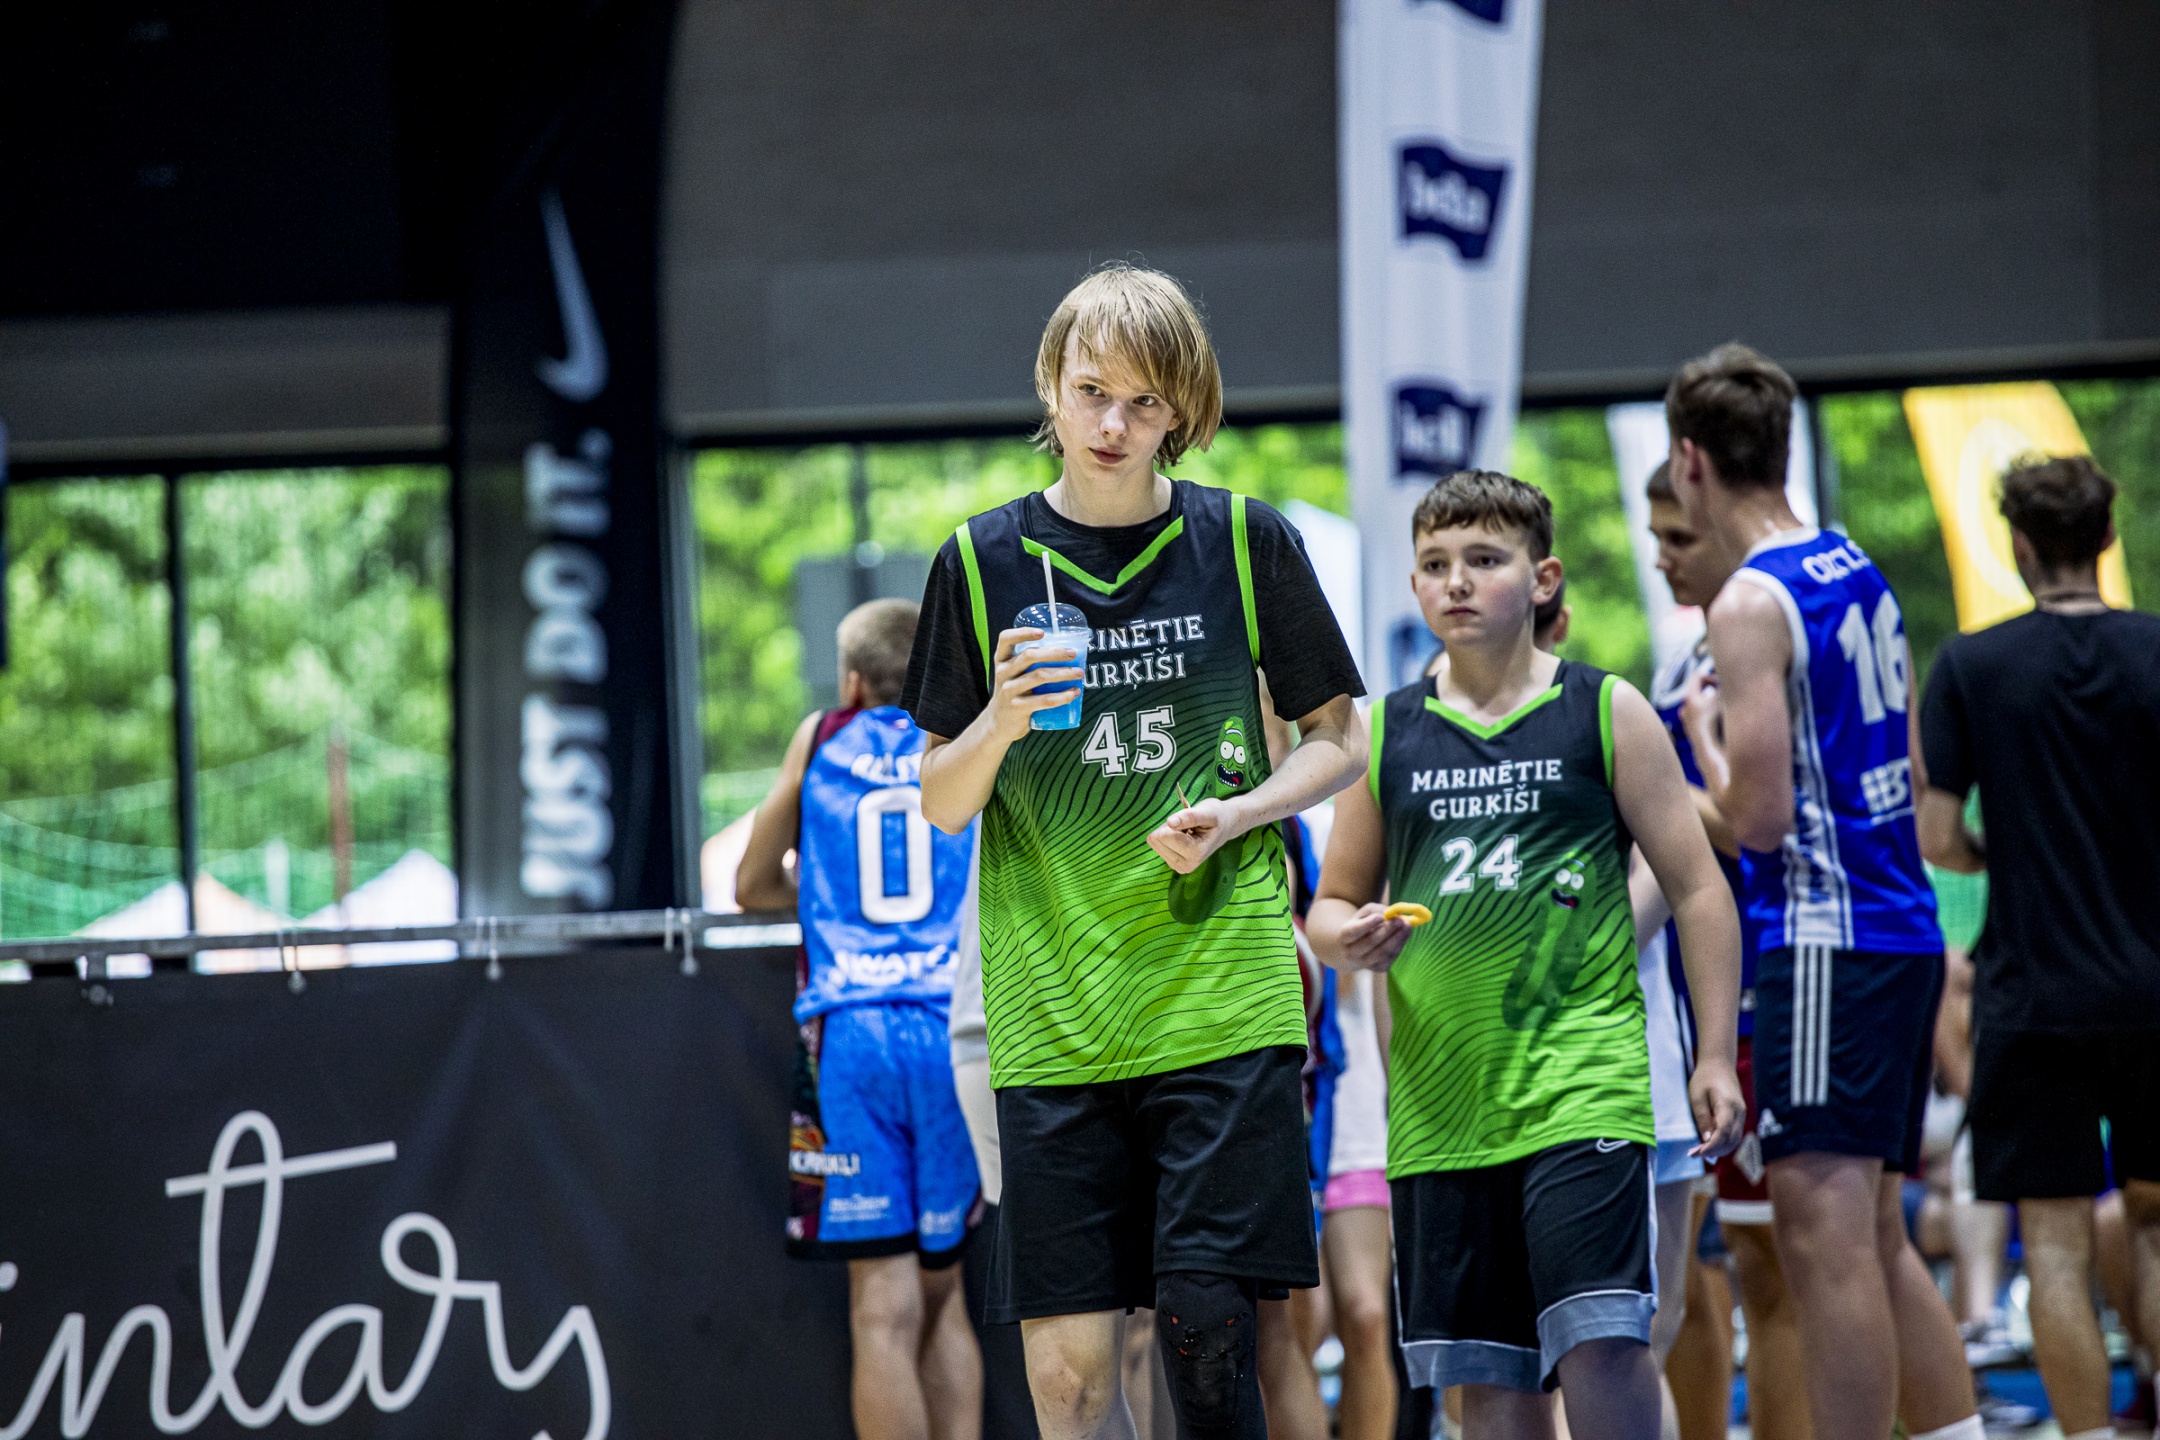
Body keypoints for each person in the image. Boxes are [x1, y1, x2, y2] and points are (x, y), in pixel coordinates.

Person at [901, 262, 1368, 1440]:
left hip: (1219, 999)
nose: (1113, 424)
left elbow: (1339, 741)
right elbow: (941, 803)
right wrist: (1001, 723)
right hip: (1053, 1014)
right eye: (1092, 392)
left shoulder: (1245, 542)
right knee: (1069, 1383)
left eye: (1145, 401)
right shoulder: (980, 562)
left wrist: (1245, 812)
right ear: (1050, 390)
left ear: (1183, 412)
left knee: (1208, 1346)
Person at [1307, 468, 1745, 1440]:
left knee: (1606, 1345)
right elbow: (1328, 909)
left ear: (1543, 579)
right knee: (1493, 1384)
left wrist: (1714, 1053)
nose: (1456, 582)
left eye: (1483, 559)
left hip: (1583, 1090)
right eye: (1435, 565)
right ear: (1413, 586)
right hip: (1441, 1114)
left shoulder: (1606, 709)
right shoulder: (1384, 732)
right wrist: (1351, 939)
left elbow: (1699, 886)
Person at [1666, 343, 1979, 1440]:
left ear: (1691, 461)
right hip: (1900, 925)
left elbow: (1755, 820)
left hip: (1822, 938)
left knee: (1823, 1240)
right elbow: (1906, 761)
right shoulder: (1853, 562)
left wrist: (1692, 755)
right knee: (1878, 1240)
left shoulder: (1751, 600)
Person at [1917, 454, 2160, 1440]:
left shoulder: (1971, 666)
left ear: (2017, 542)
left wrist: (2006, 853)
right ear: (2106, 538)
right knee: (2156, 1222)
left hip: (2033, 992)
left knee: (2055, 1244)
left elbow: (1938, 837)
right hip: (2155, 989)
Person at [738, 597, 985, 1440]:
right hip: (953, 1031)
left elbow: (749, 887)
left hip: (851, 1034)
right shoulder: (966, 741)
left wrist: (822, 896)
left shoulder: (820, 737)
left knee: (882, 1309)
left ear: (851, 681)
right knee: (946, 1297)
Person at [1641, 458, 1812, 1440]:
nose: (1665, 559)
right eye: (1656, 539)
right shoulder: (1679, 661)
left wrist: (1673, 788)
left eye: (1680, 537)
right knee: (1690, 1270)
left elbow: (1756, 822)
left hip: (1770, 986)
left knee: (1775, 1264)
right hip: (1688, 1002)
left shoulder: (1763, 631)